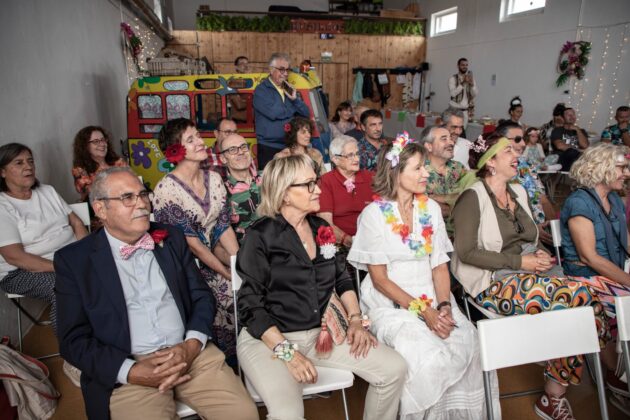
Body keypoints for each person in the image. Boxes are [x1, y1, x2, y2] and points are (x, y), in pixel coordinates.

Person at [54, 167, 257, 420]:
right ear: (100, 209)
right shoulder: (74, 261)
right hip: (130, 368)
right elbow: (73, 340)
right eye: (127, 197)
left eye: (142, 194)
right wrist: (131, 371)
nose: (141, 204)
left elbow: (201, 296)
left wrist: (192, 344)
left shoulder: (171, 237)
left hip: (190, 354)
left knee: (244, 414)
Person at [451, 133, 610, 420]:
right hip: (493, 281)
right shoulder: (472, 197)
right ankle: (570, 382)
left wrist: (538, 254)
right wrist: (521, 262)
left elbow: (530, 239)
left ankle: (556, 389)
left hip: (530, 274)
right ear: (490, 163)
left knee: (585, 302)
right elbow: (466, 252)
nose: (517, 156)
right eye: (508, 152)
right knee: (580, 300)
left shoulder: (518, 192)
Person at [236, 154, 407, 420]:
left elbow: (342, 279)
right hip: (270, 341)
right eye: (308, 184)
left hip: (322, 335)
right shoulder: (260, 235)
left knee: (394, 369)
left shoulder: (320, 227)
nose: (318, 189)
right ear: (284, 194)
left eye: (315, 182)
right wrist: (288, 354)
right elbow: (250, 305)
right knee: (288, 414)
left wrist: (355, 320)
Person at [347, 138, 499, 419]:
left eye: (425, 167)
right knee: (426, 356)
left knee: (471, 343)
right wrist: (424, 312)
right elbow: (380, 280)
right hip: (390, 301)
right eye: (418, 168)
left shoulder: (430, 209)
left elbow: (439, 265)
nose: (426, 173)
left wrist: (444, 306)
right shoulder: (374, 215)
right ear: (396, 173)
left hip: (433, 293)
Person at [152, 118, 240, 365]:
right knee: (227, 295)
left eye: (198, 136)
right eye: (191, 140)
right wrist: (226, 273)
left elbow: (223, 226)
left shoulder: (214, 178)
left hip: (216, 252)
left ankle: (251, 358)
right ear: (175, 150)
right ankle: (229, 364)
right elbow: (192, 245)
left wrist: (240, 266)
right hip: (189, 266)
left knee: (249, 285)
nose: (201, 142)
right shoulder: (166, 190)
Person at [0, 143, 88, 386]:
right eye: (19, 163)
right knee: (63, 287)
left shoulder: (47, 191)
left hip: (69, 259)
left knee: (111, 269)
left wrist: (85, 252)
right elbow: (15, 257)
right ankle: (73, 357)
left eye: (30, 161)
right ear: (2, 171)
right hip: (20, 271)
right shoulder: (3, 206)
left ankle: (109, 337)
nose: (28, 167)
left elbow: (76, 222)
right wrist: (67, 267)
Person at [318, 135, 374, 279]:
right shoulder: (327, 181)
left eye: (357, 154)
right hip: (343, 246)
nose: (356, 159)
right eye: (350, 155)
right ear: (335, 159)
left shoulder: (370, 178)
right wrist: (349, 241)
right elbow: (326, 223)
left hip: (372, 242)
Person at [253, 52, 310, 169]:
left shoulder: (288, 89)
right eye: (282, 70)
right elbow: (274, 113)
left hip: (290, 147)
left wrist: (295, 100)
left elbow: (306, 113)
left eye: (287, 70)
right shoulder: (261, 91)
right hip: (269, 147)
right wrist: (293, 109)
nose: (285, 73)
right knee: (271, 180)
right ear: (271, 69)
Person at [218, 133, 261, 244]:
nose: (241, 152)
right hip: (247, 248)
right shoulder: (221, 191)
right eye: (232, 149)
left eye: (243, 147)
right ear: (223, 158)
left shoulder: (269, 177)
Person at [421, 126, 467, 223]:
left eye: (450, 139)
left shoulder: (458, 168)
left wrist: (441, 199)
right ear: (429, 146)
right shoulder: (420, 171)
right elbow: (424, 208)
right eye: (444, 139)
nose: (451, 143)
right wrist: (455, 202)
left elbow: (471, 198)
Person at [72, 126, 127, 202]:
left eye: (103, 140)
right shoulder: (80, 170)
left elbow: (132, 182)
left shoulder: (118, 162)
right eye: (96, 141)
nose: (102, 144)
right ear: (85, 146)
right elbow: (90, 193)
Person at [448, 58, 477, 128]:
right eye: (463, 65)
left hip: (465, 112)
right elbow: (453, 94)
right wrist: (463, 82)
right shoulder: (453, 78)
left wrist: (472, 85)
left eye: (466, 65)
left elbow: (474, 94)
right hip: (454, 111)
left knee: (462, 131)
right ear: (458, 66)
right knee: (452, 131)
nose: (465, 67)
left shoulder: (471, 79)